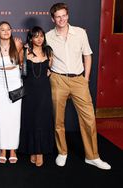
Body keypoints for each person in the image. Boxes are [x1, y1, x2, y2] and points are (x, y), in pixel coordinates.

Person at [46, 2, 111, 170]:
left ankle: (92, 156)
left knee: (89, 119)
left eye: (64, 15)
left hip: (79, 80)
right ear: (53, 18)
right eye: (58, 16)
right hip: (58, 79)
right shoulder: (47, 36)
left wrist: (86, 79)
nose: (61, 19)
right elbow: (43, 57)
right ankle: (62, 152)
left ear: (68, 15)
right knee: (58, 119)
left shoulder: (80, 32)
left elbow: (87, 55)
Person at [18, 26, 54, 167]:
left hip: (44, 91)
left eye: (41, 36)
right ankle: (32, 149)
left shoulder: (48, 51)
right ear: (31, 38)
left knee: (42, 119)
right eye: (36, 36)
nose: (39, 39)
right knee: (31, 119)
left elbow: (49, 68)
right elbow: (20, 67)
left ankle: (39, 152)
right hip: (29, 91)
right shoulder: (25, 51)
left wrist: (49, 72)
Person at [0, 21, 22, 164]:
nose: (5, 32)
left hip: (15, 80)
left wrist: (19, 49)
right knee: (1, 115)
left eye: (8, 29)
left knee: (15, 115)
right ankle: (2, 148)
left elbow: (22, 64)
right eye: (2, 30)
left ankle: (13, 149)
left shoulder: (17, 44)